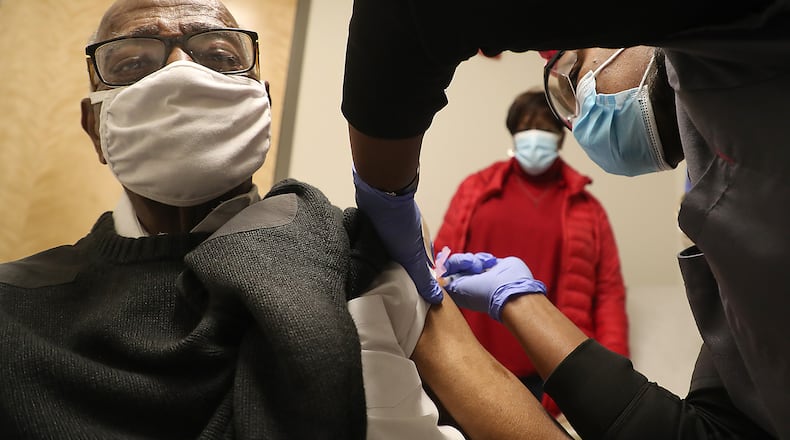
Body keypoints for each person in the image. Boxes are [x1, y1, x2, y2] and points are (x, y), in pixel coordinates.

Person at [0, 1, 572, 438]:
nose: (179, 74)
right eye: (132, 64)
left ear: (261, 103)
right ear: (95, 126)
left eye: (219, 57)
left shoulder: (359, 249)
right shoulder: (19, 307)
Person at [341, 1, 790, 438]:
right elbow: (714, 428)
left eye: (571, 68)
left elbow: (413, 13)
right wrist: (521, 303)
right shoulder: (732, 233)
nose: (578, 116)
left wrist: (384, 193)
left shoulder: (749, 37)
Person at [433, 89, 629, 417]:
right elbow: (439, 266)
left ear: (561, 137)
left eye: (545, 128)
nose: (535, 137)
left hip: (548, 374)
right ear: (513, 133)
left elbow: (608, 295)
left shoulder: (587, 209)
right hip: (471, 363)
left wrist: (613, 379)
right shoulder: (475, 191)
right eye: (526, 128)